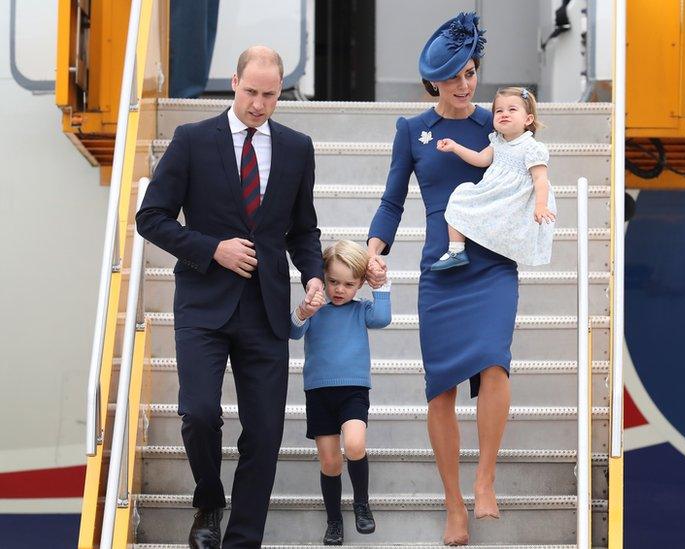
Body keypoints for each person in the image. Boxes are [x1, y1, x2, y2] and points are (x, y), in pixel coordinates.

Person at [136, 46, 331, 548]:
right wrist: (211, 249)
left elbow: (303, 231)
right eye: (250, 92)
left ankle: (243, 540)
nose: (259, 104)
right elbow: (150, 217)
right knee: (199, 413)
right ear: (234, 81)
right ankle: (208, 502)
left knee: (264, 435)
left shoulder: (296, 147)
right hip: (202, 304)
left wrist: (312, 276)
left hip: (265, 310)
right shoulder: (192, 140)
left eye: (269, 95)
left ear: (279, 90)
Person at [365, 12, 514, 546]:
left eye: (471, 73)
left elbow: (527, 170)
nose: (464, 85)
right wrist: (372, 254)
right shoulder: (412, 131)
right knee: (441, 389)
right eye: (453, 77)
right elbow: (391, 200)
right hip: (440, 271)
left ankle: (485, 480)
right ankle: (453, 504)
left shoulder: (494, 124)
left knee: (496, 362)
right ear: (434, 82)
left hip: (493, 262)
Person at [289, 240, 392, 545]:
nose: (339, 289)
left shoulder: (361, 310)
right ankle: (334, 519)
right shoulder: (316, 309)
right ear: (322, 276)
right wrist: (304, 310)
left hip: (353, 390)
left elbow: (383, 318)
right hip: (319, 392)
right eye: (333, 281)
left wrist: (381, 282)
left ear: (360, 284)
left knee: (356, 443)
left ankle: (361, 502)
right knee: (330, 462)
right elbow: (293, 331)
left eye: (348, 284)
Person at [431, 86, 556, 271]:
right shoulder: (497, 141)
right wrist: (455, 147)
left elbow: (540, 179)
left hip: (515, 200)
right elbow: (481, 159)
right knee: (460, 196)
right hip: (494, 193)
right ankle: (456, 250)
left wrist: (540, 205)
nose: (504, 114)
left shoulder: (532, 148)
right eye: (499, 111)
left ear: (528, 119)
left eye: (512, 110)